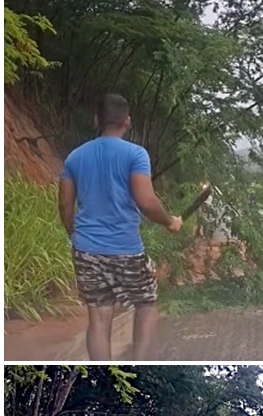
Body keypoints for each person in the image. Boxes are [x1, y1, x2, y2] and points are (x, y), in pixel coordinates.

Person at [58, 93, 183, 361]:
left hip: (86, 248)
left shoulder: (74, 157)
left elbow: (65, 206)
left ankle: (102, 372)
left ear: (96, 120)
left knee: (99, 318)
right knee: (146, 303)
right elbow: (146, 201)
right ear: (127, 121)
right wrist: (170, 221)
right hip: (125, 249)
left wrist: (75, 236)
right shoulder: (136, 154)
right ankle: (138, 365)